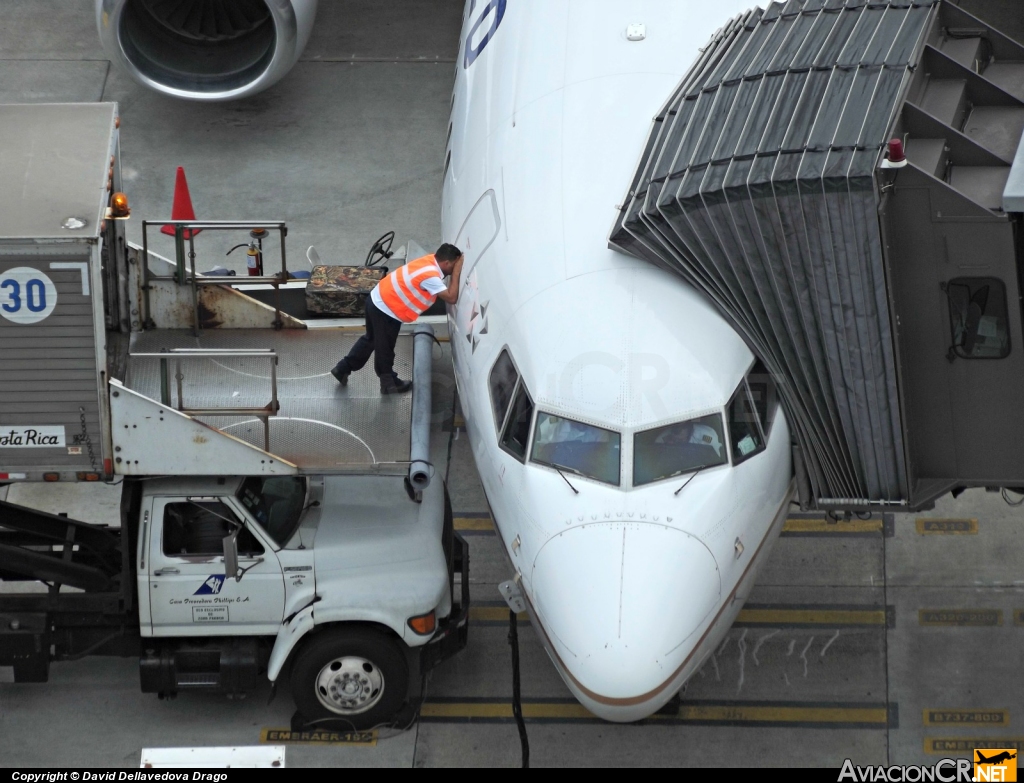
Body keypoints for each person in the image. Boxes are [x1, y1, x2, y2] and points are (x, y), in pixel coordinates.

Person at [331, 243, 464, 394]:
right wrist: (457, 273)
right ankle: (388, 384)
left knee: (371, 340)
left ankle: (342, 368)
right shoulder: (431, 276)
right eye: (453, 265)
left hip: (377, 299)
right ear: (446, 263)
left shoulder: (429, 260)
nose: (453, 268)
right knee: (385, 347)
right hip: (386, 309)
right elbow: (451, 297)